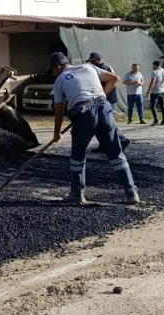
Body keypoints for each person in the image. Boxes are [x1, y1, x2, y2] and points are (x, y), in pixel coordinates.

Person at [50, 52, 139, 205]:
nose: (53, 73)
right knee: (116, 154)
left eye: (53, 69)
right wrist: (101, 96)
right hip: (104, 108)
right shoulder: (89, 67)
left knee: (78, 155)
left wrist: (57, 133)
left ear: (58, 66)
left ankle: (77, 194)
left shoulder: (59, 80)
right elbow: (115, 79)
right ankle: (131, 194)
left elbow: (58, 112)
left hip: (84, 114)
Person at [86, 52, 131, 151]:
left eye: (93, 61)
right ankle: (104, 144)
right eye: (90, 62)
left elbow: (111, 83)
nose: (92, 64)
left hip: (107, 99)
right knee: (101, 123)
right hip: (104, 99)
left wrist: (103, 97)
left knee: (106, 122)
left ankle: (122, 139)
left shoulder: (104, 69)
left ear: (99, 60)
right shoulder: (101, 69)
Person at [145, 60, 164, 126]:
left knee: (153, 106)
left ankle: (156, 120)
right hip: (163, 90)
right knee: (163, 105)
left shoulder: (155, 72)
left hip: (155, 91)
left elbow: (152, 83)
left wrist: (148, 91)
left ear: (155, 65)